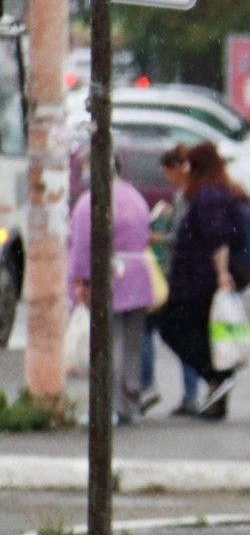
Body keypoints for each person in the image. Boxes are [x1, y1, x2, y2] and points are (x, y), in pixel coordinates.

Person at [67, 158, 156, 424]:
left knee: (108, 345)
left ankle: (108, 407)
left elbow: (82, 246)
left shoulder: (90, 202)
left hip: (109, 277)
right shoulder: (135, 197)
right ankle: (131, 405)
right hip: (138, 274)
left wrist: (80, 281)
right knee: (132, 346)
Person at [159, 141, 242, 420]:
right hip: (195, 278)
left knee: (172, 325)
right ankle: (216, 392)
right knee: (203, 332)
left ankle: (217, 375)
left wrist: (221, 274)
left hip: (198, 280)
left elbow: (219, 239)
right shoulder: (214, 193)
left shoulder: (209, 196)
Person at [146, 145, 204, 416]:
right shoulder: (188, 194)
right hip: (187, 276)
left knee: (179, 334)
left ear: (178, 168)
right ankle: (191, 394)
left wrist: (160, 238)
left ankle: (189, 394)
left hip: (181, 277)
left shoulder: (188, 195)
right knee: (184, 335)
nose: (167, 179)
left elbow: (184, 238)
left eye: (168, 173)